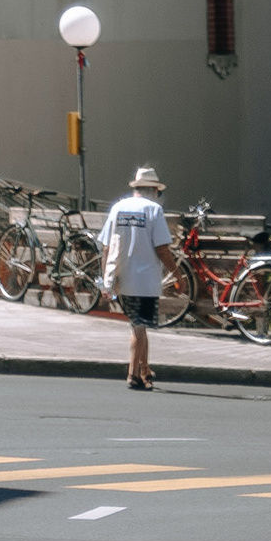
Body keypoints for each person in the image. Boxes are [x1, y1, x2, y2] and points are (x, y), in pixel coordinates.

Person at [99, 162, 175, 389]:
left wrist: (106, 280)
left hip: (122, 278)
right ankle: (132, 373)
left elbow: (106, 247)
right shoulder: (154, 210)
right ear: (154, 190)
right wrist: (178, 275)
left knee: (138, 326)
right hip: (146, 280)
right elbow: (162, 249)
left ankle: (145, 370)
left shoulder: (118, 208)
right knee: (139, 326)